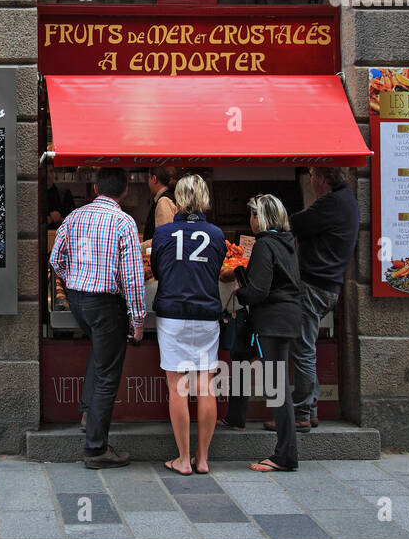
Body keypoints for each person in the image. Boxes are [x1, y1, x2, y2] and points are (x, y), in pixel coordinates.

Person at [49, 167, 146, 469]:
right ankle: (95, 449)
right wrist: (138, 319)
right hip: (106, 304)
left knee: (100, 356)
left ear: (94, 189)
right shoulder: (123, 222)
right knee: (108, 374)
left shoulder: (74, 217)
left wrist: (73, 281)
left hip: (78, 299)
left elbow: (56, 259)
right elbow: (132, 276)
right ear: (125, 191)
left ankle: (86, 414)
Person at [148, 173, 226, 475]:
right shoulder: (217, 235)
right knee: (206, 385)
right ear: (204, 199)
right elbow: (217, 269)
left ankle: (182, 459)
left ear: (178, 200)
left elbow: (157, 270)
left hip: (173, 314)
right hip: (207, 313)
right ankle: (203, 458)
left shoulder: (164, 234)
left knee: (177, 386)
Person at [219, 195, 303, 471]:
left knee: (278, 389)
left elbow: (258, 291)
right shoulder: (286, 242)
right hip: (286, 318)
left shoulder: (265, 244)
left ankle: (285, 455)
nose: (250, 220)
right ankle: (237, 417)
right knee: (248, 360)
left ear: (261, 218)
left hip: (272, 322)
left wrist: (239, 292)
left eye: (253, 215)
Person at [282, 165, 360, 432]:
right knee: (307, 346)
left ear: (324, 179)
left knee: (303, 349)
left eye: (313, 176)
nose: (311, 180)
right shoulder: (345, 201)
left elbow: (295, 223)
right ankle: (310, 409)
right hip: (329, 285)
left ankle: (302, 413)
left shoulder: (332, 204)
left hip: (314, 285)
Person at [143, 165, 178, 239]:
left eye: (149, 177)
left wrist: (140, 246)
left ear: (154, 179)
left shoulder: (164, 201)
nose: (148, 181)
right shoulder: (172, 196)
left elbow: (164, 237)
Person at [45, 162, 75, 230]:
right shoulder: (37, 195)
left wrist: (59, 219)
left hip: (60, 236)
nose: (49, 175)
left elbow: (73, 221)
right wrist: (48, 220)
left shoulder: (64, 194)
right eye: (46, 172)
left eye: (51, 171)